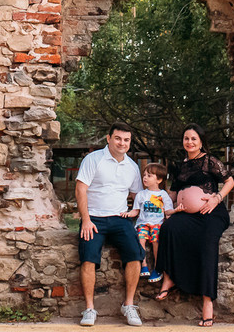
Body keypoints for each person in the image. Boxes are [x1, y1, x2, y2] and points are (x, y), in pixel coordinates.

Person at [153, 124, 234, 327]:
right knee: (168, 229)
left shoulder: (209, 161)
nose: (189, 142)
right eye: (186, 138)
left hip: (211, 213)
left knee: (207, 242)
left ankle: (207, 302)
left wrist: (217, 198)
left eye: (193, 139)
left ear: (201, 141)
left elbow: (230, 181)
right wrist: (156, 201)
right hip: (186, 215)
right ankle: (169, 277)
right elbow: (173, 193)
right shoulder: (180, 166)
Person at [75, 122, 145, 327]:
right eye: (118, 138)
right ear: (109, 138)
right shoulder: (93, 159)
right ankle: (89, 309)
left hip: (120, 218)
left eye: (126, 140)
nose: (122, 143)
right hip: (94, 218)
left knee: (135, 253)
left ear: (129, 142)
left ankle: (129, 305)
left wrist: (144, 210)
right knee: (88, 257)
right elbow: (80, 190)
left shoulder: (132, 166)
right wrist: (86, 220)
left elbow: (137, 195)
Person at [122, 163, 174, 283]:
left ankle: (157, 267)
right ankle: (144, 265)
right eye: (144, 175)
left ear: (159, 180)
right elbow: (136, 211)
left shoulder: (163, 195)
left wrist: (177, 210)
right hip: (143, 223)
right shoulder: (141, 194)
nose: (145, 178)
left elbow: (168, 211)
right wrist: (128, 214)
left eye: (149, 175)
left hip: (157, 224)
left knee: (156, 242)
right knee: (140, 239)